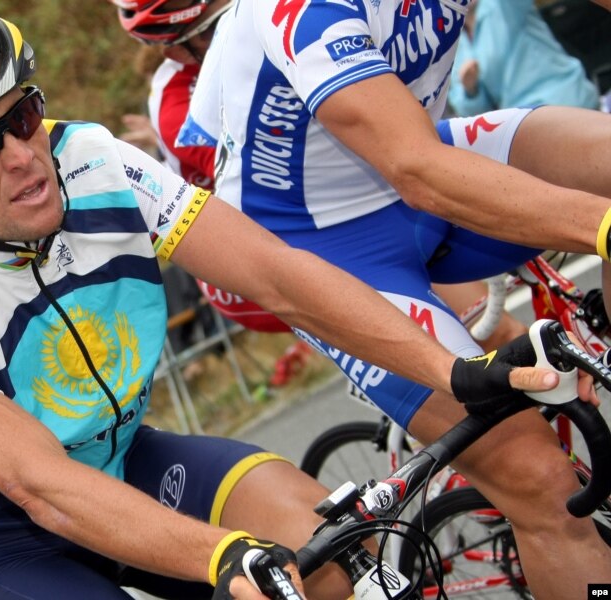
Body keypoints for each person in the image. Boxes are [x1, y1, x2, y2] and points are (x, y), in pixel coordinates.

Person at [0, 6, 577, 599]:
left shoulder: (90, 161)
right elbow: (39, 485)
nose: (23, 155)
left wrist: (450, 370)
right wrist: (221, 555)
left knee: (325, 561)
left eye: (23, 116)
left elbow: (278, 275)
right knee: (251, 567)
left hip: (122, 456)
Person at [182, 0, 611, 598]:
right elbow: (418, 170)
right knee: (539, 479)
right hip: (325, 240)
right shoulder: (299, 9)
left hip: (415, 159)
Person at [114, 0, 528, 353]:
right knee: (495, 338)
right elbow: (280, 180)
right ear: (175, 49)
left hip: (332, 200)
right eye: (210, 31)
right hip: (262, 250)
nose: (229, 30)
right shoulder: (178, 106)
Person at [448, 0, 600, 117]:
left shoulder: (502, 5)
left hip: (566, 103)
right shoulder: (450, 43)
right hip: (523, 122)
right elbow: (472, 114)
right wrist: (470, 89)